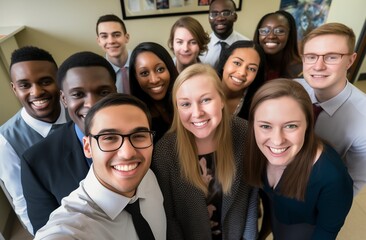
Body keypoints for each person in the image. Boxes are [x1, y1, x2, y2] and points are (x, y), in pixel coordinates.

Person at [34, 93, 166, 240]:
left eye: (139, 135)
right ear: (88, 147)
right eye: (109, 138)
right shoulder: (70, 229)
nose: (127, 153)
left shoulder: (148, 176)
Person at [151, 63, 256, 239]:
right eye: (185, 104)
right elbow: (168, 217)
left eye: (206, 100)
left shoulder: (244, 133)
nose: (197, 113)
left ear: (222, 99)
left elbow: (251, 195)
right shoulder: (165, 151)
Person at [21, 51, 117, 234]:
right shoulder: (36, 162)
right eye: (78, 94)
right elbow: (46, 228)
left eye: (103, 92)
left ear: (115, 92)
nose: (92, 104)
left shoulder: (142, 138)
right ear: (64, 99)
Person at [245, 79, 353, 239]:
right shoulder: (256, 150)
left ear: (308, 124)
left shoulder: (332, 178)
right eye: (265, 126)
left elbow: (327, 231)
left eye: (290, 126)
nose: (277, 140)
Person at [0, 46, 67, 234]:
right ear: (14, 89)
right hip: (57, 224)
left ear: (59, 80)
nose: (36, 92)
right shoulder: (6, 141)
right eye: (24, 85)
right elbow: (22, 200)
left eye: (45, 81)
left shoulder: (78, 112)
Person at [296, 22, 366, 194]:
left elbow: (355, 179)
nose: (318, 66)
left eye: (332, 57)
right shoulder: (291, 90)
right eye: (311, 56)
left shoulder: (363, 117)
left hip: (315, 194)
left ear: (350, 60)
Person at [129, 42, 178, 143]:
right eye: (144, 73)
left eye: (160, 69)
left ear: (169, 68)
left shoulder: (185, 103)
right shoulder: (135, 118)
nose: (154, 80)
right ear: (135, 77)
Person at [216, 40, 266, 119]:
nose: (242, 73)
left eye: (252, 69)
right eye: (237, 63)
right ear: (224, 62)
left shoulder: (257, 106)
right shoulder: (202, 88)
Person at [253, 10, 302, 81]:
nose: (271, 36)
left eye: (279, 31)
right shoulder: (251, 64)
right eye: (264, 31)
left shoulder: (300, 70)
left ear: (289, 35)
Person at [200, 0, 249, 68]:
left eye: (226, 13)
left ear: (235, 17)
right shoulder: (200, 44)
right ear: (209, 19)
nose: (220, 18)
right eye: (214, 14)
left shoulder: (248, 45)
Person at [96, 14, 131, 93]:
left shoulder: (142, 61)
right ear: (99, 41)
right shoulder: (98, 71)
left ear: (127, 38)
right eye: (104, 36)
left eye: (116, 35)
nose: (111, 41)